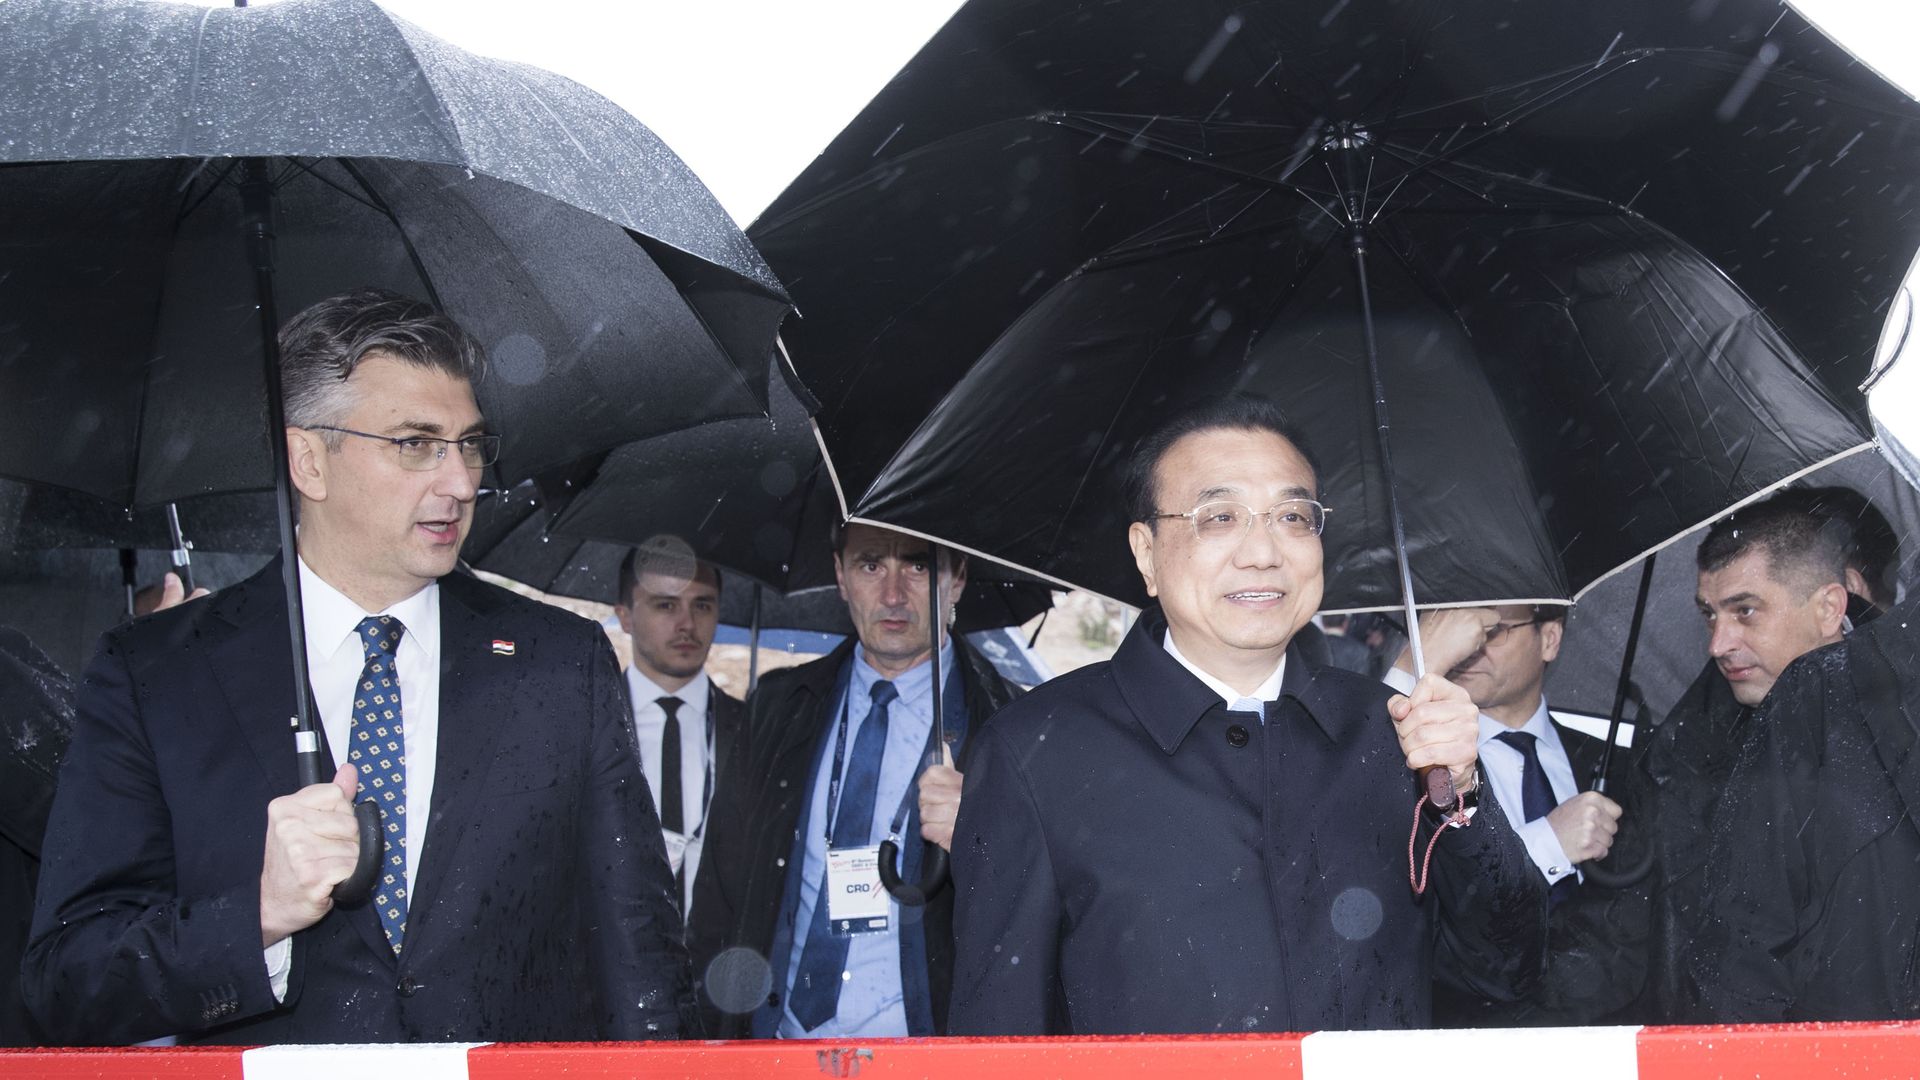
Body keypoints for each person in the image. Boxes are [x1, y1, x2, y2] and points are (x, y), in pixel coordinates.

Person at [23, 288, 693, 1045]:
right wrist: (259, 915)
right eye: (416, 444)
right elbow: (69, 982)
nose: (461, 482)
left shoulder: (562, 664)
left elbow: (641, 963)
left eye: (470, 444)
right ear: (308, 460)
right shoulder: (156, 676)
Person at [946, 396, 1546, 1035]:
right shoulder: (1039, 753)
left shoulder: (1391, 729)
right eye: (1219, 516)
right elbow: (996, 1033)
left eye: (1293, 516)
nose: (1262, 552)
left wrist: (1461, 794)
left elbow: (1507, 975)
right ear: (1146, 553)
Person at [687, 522, 1021, 1039]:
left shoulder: (1015, 727)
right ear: (841, 577)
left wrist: (986, 831)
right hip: (777, 1049)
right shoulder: (778, 708)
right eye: (870, 565)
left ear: (956, 579)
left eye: (917, 565)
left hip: (931, 1057)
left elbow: (1048, 920)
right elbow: (720, 896)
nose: (893, 595)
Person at [1619, 489, 1851, 1021]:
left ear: (1828, 608)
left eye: (1745, 611)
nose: (1717, 643)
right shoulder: (1678, 755)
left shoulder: (1901, 719)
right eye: (1709, 615)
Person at [1388, 606, 1643, 1026]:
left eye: (1492, 630)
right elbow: (1420, 918)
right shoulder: (1417, 767)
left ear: (1550, 639)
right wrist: (1546, 842)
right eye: (1465, 630)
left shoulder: (1618, 764)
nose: (1470, 649)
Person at [1694, 589, 1920, 1021]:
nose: (1719, 644)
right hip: (1849, 1046)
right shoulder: (1823, 690)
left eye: (1745, 610)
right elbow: (1743, 935)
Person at [613, 542, 744, 917]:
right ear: (625, 616)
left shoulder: (752, 729)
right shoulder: (587, 725)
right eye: (666, 605)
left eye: (702, 605)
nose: (687, 624)